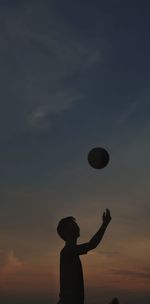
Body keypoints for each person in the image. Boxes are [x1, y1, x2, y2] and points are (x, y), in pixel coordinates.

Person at [57, 208, 112, 304]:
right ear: (65, 232)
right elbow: (92, 244)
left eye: (76, 224)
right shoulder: (68, 251)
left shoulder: (70, 251)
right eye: (73, 225)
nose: (77, 226)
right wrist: (105, 224)